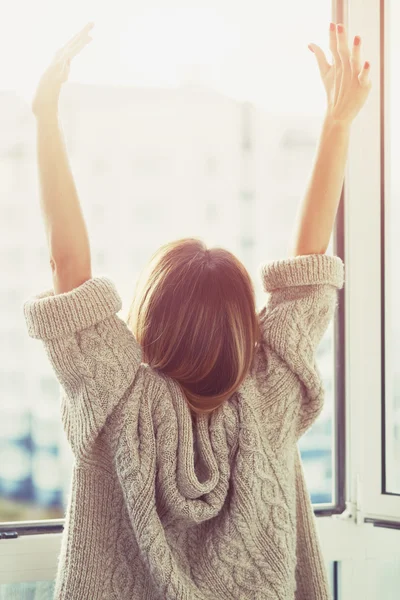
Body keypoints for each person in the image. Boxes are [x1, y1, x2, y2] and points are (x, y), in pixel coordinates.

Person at [23, 20, 371, 600]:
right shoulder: (270, 399)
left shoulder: (116, 399)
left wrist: (45, 119)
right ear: (248, 332)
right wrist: (338, 123)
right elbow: (308, 273)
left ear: (148, 321)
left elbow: (67, 268)